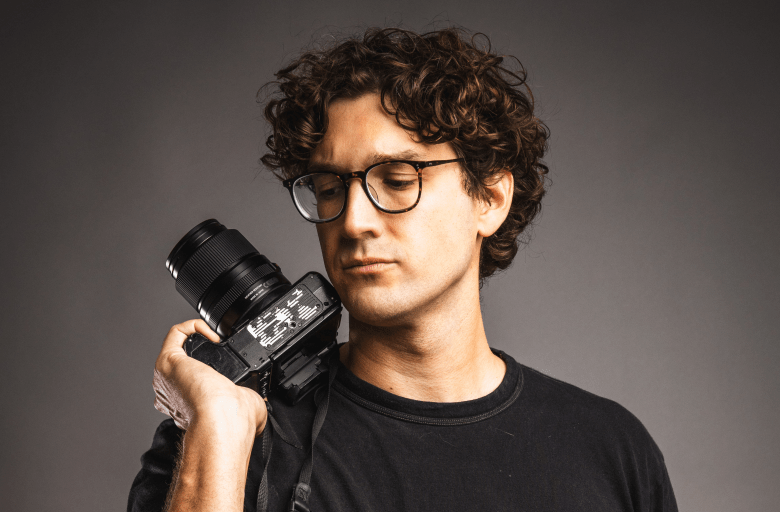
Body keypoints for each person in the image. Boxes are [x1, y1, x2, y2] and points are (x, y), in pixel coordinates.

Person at [128, 27, 677, 512]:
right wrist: (216, 428)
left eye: (396, 180)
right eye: (329, 189)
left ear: (489, 198)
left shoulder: (611, 449)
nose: (354, 221)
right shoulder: (220, 439)